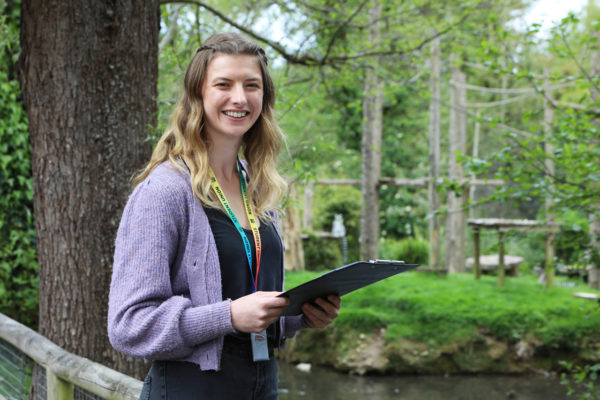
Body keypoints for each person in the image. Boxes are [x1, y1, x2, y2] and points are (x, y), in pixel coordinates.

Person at [107, 32, 341, 400]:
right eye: (223, 84)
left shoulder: (257, 186)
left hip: (261, 385)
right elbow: (129, 325)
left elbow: (249, 303)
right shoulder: (165, 191)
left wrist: (300, 315)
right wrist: (228, 316)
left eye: (252, 85)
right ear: (198, 94)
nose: (240, 97)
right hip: (191, 389)